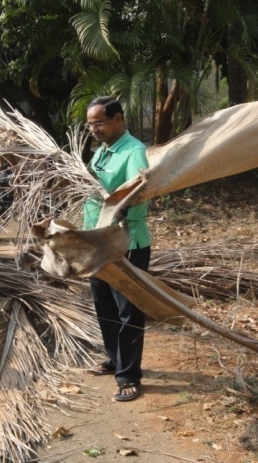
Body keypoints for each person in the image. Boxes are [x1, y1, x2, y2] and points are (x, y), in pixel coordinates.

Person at [82, 96, 151, 402]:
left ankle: (129, 376)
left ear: (118, 119)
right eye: (90, 123)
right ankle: (115, 359)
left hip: (125, 243)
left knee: (128, 311)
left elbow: (141, 189)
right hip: (96, 242)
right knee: (105, 305)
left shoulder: (133, 151)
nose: (92, 128)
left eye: (99, 122)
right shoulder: (102, 152)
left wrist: (122, 209)